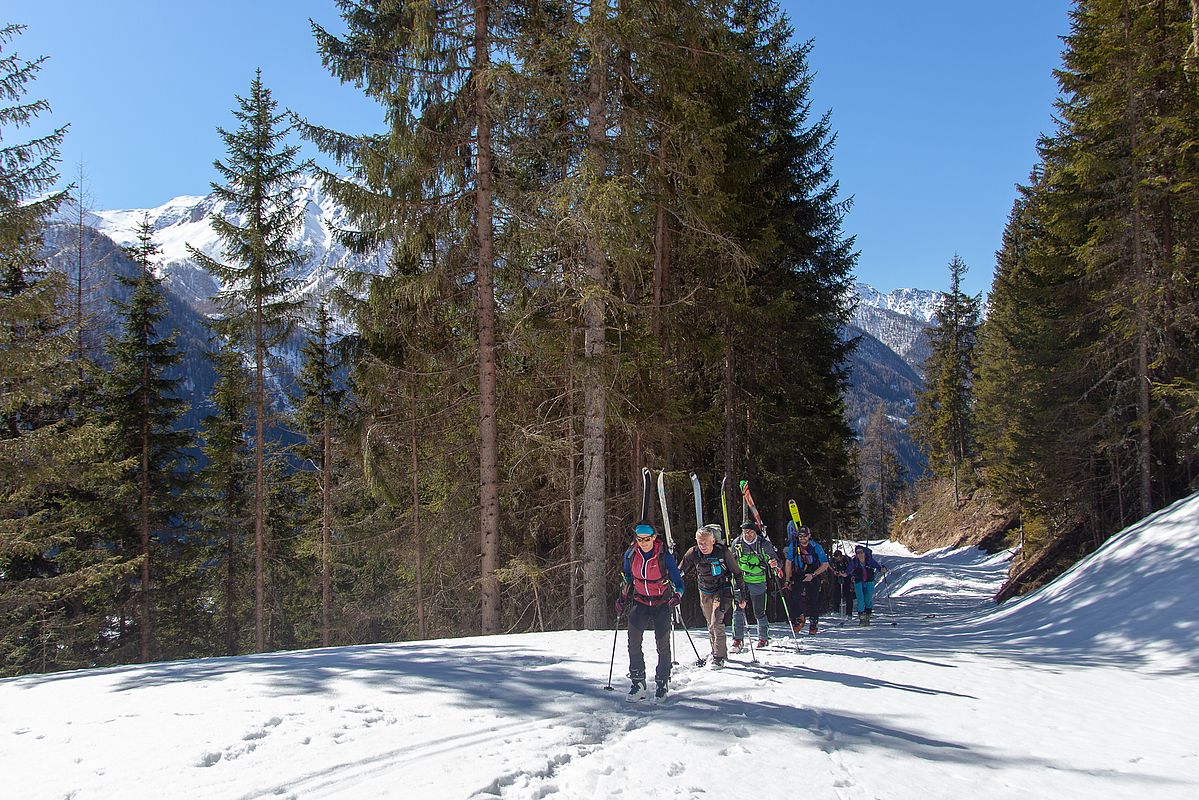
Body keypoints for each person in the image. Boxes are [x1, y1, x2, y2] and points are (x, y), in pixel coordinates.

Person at [616, 521, 685, 701]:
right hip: (640, 601)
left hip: (661, 602)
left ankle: (662, 682)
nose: (644, 542)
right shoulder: (630, 554)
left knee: (662, 645)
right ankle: (638, 682)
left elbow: (679, 582)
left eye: (647, 539)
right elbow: (627, 578)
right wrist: (622, 598)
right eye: (640, 539)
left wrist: (677, 595)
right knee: (633, 642)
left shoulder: (664, 556)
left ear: (654, 538)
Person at [678, 524, 748, 667]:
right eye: (700, 543)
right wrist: (673, 580)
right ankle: (717, 651)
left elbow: (737, 573)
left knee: (717, 622)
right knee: (711, 624)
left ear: (713, 541)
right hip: (705, 591)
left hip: (722, 590)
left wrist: (742, 595)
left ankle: (718, 657)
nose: (702, 546)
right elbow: (681, 569)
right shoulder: (693, 553)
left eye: (705, 543)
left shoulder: (722, 552)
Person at [731, 520, 781, 650]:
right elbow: (731, 561)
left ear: (755, 532)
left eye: (750, 532)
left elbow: (776, 560)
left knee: (759, 611)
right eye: (745, 532)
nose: (747, 535)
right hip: (741, 581)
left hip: (758, 581)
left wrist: (774, 564)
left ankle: (763, 638)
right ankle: (737, 639)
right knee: (738, 609)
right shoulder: (737, 543)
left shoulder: (764, 544)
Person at [784, 522, 830, 635]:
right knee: (795, 596)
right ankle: (800, 618)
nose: (802, 538)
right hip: (799, 573)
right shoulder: (794, 546)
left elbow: (825, 564)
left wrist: (813, 575)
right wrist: (787, 578)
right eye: (800, 536)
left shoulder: (815, 547)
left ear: (809, 536)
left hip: (813, 574)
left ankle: (813, 623)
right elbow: (789, 562)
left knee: (813, 599)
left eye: (805, 536)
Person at [848, 544, 888, 626]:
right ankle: (862, 618)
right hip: (858, 582)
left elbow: (878, 567)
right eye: (858, 553)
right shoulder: (854, 562)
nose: (860, 554)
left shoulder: (869, 560)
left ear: (864, 553)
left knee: (868, 599)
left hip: (869, 582)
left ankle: (868, 616)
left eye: (861, 552)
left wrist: (883, 569)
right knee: (860, 599)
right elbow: (848, 571)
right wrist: (843, 574)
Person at [829, 549, 855, 619]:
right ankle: (836, 610)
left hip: (847, 578)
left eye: (838, 557)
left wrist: (846, 574)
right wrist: (834, 572)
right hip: (837, 578)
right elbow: (830, 567)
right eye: (835, 557)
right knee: (835, 593)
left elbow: (852, 568)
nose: (837, 559)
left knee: (848, 595)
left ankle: (849, 613)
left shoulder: (847, 559)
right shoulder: (832, 561)